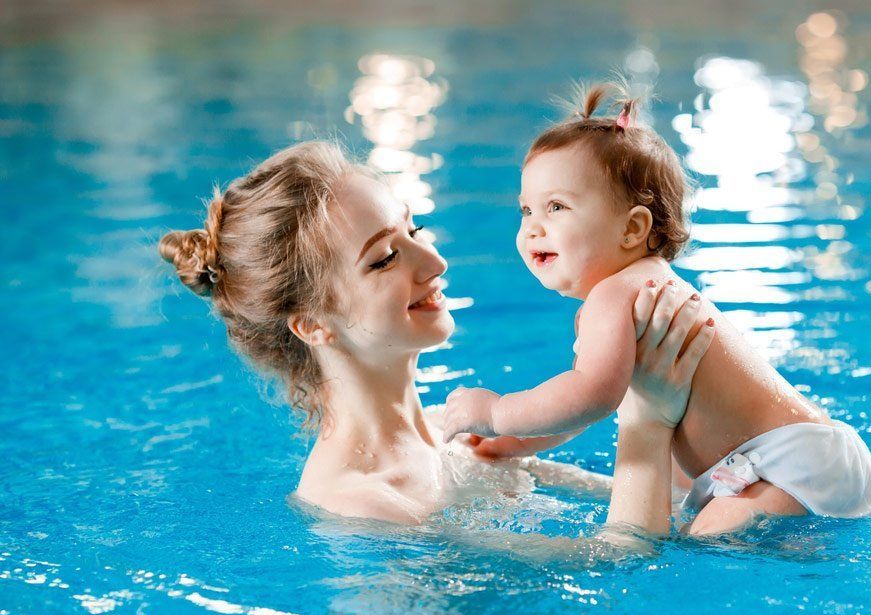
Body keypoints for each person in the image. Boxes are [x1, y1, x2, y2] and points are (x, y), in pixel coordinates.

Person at [158, 140, 711, 536]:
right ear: (312, 323)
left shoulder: (457, 435)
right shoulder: (365, 504)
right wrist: (647, 417)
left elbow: (675, 506)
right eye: (384, 259)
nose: (436, 261)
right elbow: (623, 562)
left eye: (414, 229)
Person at [442, 84, 871, 535]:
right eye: (526, 210)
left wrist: (496, 413)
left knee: (709, 538)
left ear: (633, 227)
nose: (533, 228)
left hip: (784, 464)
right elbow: (583, 405)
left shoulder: (615, 297)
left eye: (556, 207)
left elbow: (591, 396)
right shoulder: (645, 285)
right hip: (811, 453)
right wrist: (514, 444)